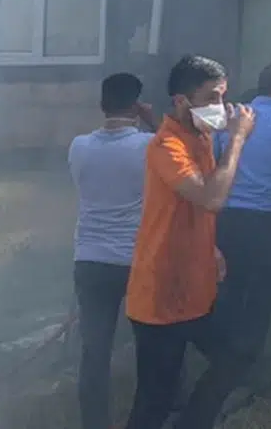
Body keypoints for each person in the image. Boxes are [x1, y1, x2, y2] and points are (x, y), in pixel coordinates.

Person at [123, 54, 257, 429]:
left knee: (236, 356)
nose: (222, 107)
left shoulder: (200, 136)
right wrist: (238, 140)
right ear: (182, 102)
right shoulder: (167, 146)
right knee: (155, 402)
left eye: (223, 96)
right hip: (161, 295)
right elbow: (212, 198)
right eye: (213, 98)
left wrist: (209, 246)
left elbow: (192, 207)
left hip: (194, 289)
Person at [68, 73, 155, 429]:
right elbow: (181, 149)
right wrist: (152, 119)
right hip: (134, 260)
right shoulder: (148, 145)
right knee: (151, 345)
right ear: (136, 105)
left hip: (89, 258)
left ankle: (94, 422)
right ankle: (152, 415)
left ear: (102, 105)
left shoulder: (78, 146)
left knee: (94, 351)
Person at [213, 62, 271, 364]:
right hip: (268, 220)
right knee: (260, 292)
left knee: (229, 286)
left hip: (228, 217)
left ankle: (220, 355)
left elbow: (214, 163)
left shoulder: (232, 118)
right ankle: (247, 360)